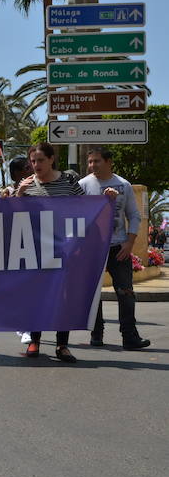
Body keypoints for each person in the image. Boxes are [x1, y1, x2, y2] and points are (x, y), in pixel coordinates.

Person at [14, 142, 84, 363]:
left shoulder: (69, 181)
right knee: (36, 297)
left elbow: (86, 208)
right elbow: (12, 215)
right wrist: (19, 193)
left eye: (41, 160)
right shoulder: (26, 185)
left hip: (65, 248)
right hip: (36, 250)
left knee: (64, 297)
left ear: (52, 159)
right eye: (33, 161)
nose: (36, 165)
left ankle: (62, 345)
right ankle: (34, 340)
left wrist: (108, 200)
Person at [79, 147, 150, 350]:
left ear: (109, 162)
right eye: (90, 162)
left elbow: (134, 215)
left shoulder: (123, 185)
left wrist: (129, 242)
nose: (92, 165)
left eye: (97, 161)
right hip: (93, 249)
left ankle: (130, 337)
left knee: (125, 293)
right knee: (93, 294)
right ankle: (96, 334)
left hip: (119, 247)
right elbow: (77, 214)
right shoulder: (83, 185)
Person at [3, 156, 35, 345]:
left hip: (35, 246)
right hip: (15, 248)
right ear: (17, 174)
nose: (31, 169)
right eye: (26, 168)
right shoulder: (8, 194)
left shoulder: (39, 189)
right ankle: (22, 325)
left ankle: (27, 327)